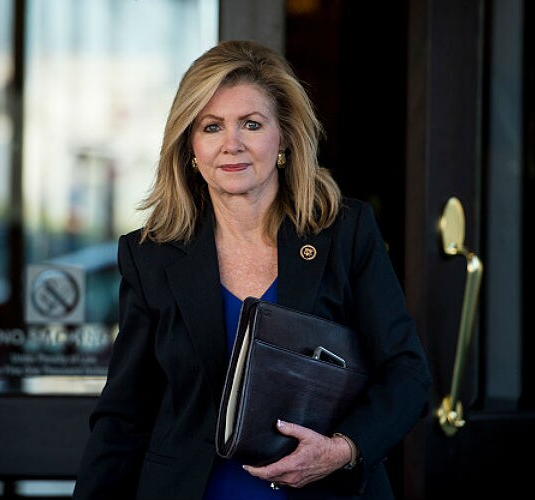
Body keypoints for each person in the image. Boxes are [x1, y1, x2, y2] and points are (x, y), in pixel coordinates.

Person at [72, 39, 432, 500]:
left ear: (283, 137)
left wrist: (342, 449)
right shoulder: (151, 256)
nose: (232, 144)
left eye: (252, 124)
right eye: (212, 127)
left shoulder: (345, 233)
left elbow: (406, 371)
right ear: (190, 148)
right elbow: (124, 416)